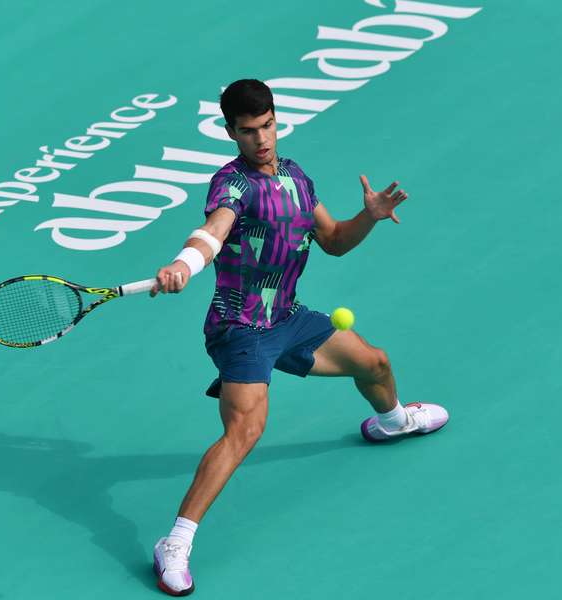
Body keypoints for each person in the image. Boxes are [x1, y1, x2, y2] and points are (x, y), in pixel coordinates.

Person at [148, 79, 448, 596]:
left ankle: (394, 421)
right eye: (248, 131)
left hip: (287, 317)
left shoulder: (296, 177)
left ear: (275, 119)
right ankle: (174, 542)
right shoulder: (231, 186)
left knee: (374, 363)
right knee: (245, 431)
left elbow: (332, 241)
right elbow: (212, 233)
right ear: (231, 132)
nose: (261, 139)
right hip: (240, 328)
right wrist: (183, 261)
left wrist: (369, 218)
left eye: (266, 125)